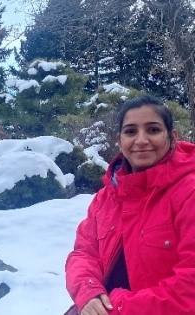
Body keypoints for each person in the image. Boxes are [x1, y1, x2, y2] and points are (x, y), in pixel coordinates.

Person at [65, 95, 195, 315]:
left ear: (172, 137)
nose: (141, 140)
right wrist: (88, 292)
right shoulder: (106, 197)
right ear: (120, 140)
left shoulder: (188, 191)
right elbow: (83, 253)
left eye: (153, 130)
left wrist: (117, 308)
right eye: (131, 131)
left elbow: (190, 288)